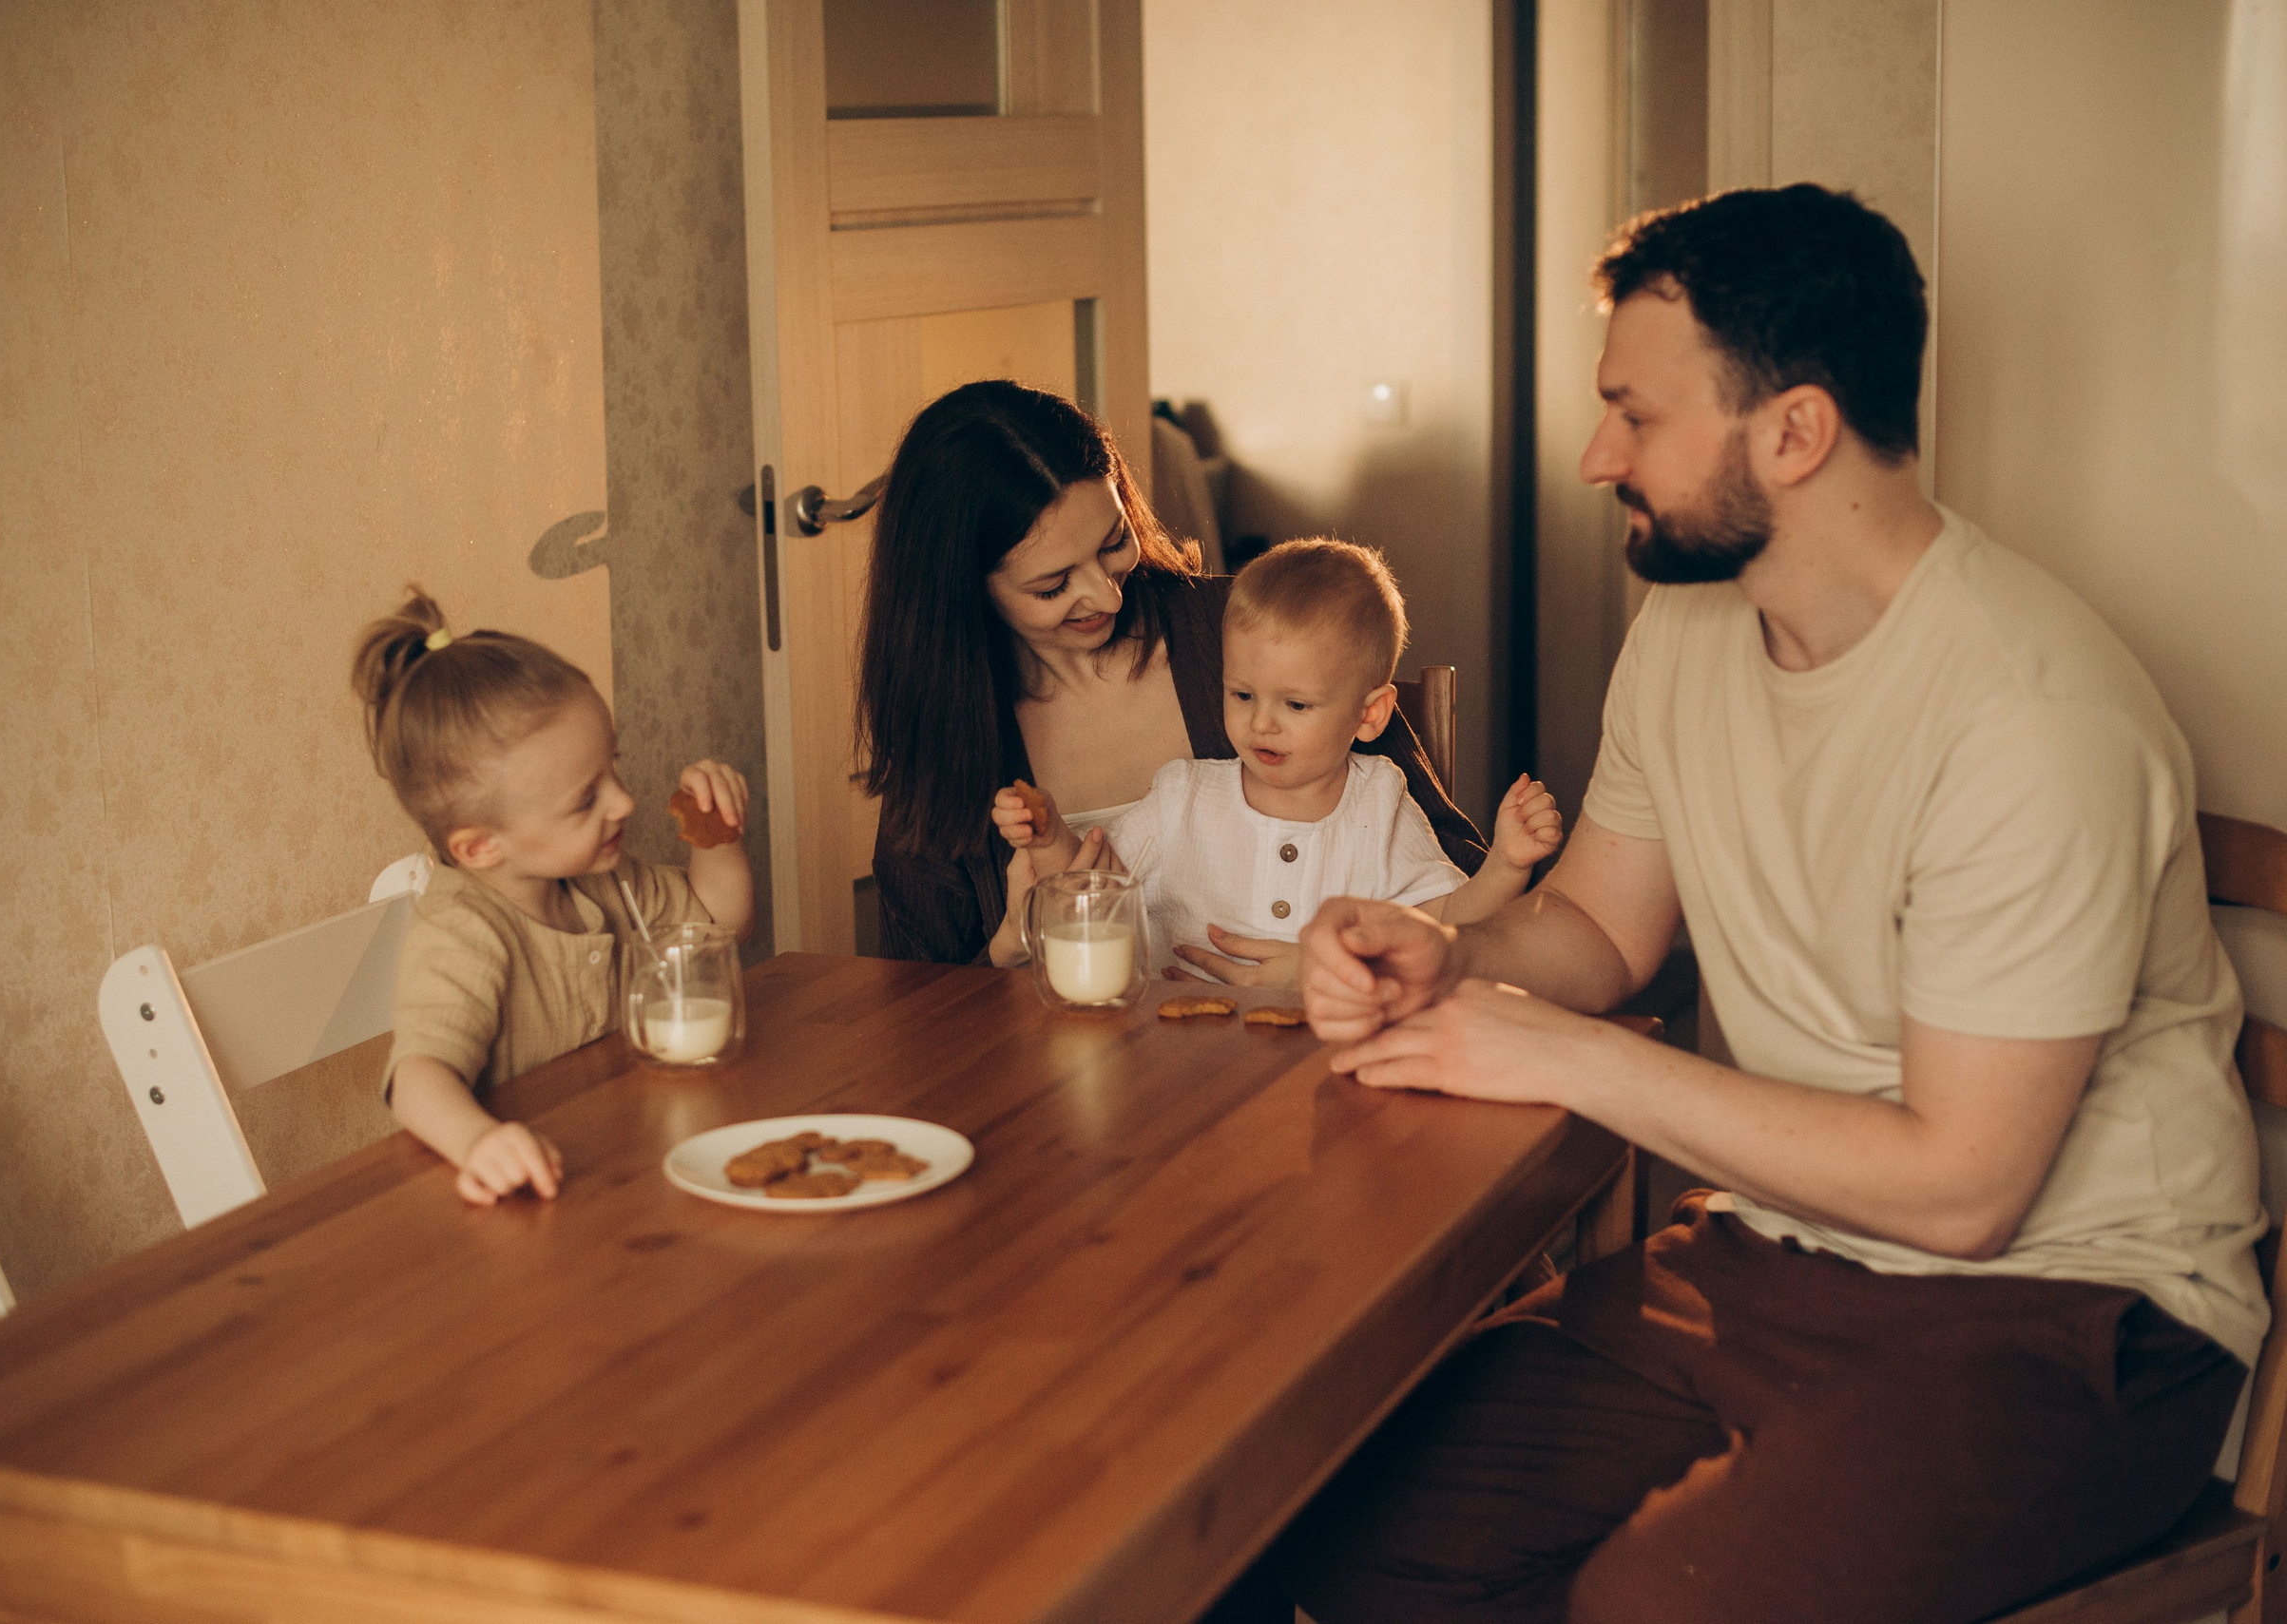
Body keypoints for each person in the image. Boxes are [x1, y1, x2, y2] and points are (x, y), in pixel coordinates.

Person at [1269, 184, 2265, 1623]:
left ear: (1794, 431)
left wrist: (1565, 1056)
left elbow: (1966, 1190)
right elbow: (1601, 935)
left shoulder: (2031, 715)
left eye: (1637, 414)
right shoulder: (1687, 626)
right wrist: (1443, 948)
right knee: (1340, 1516)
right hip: (1785, 1255)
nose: (1596, 451)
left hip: (2075, 1313)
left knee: (1657, 1605)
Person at [857, 379, 1485, 980]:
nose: (1104, 593)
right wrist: (1012, 945)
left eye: (1113, 543)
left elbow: (1461, 881)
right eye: (1053, 585)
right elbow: (918, 1018)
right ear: (963, 591)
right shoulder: (941, 747)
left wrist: (1335, 967)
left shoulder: (1245, 630)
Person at [992, 538, 1564, 977]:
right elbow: (1095, 883)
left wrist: (1507, 864)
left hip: (1323, 1060)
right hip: (1173, 1061)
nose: (1261, 722)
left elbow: (1444, 928)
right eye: (1242, 695)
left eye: (1295, 704)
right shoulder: (1182, 795)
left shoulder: (1380, 801)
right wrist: (1046, 839)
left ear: (1370, 716)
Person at [353, 589, 754, 1205]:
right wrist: (479, 1142)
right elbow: (417, 1078)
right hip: (529, 1201)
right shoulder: (464, 931)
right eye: (586, 799)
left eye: (612, 767)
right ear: (481, 846)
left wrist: (718, 833)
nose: (625, 802)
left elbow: (717, 924)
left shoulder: (607, 878)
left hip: (625, 1167)